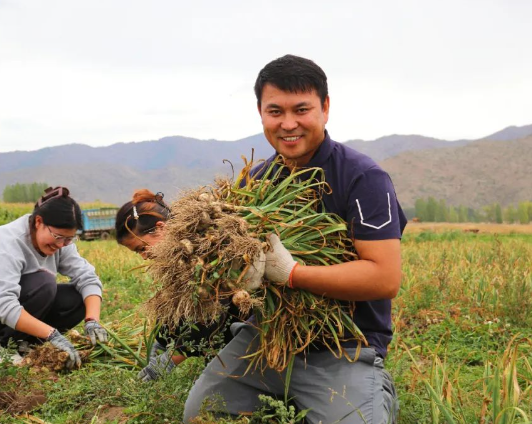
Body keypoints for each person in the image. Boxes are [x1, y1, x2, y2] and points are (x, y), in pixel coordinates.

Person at [183, 55, 406, 424]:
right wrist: (231, 277)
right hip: (265, 340)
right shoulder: (251, 183)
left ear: (325, 108)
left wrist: (291, 274)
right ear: (260, 112)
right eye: (275, 111)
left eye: (301, 109)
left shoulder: (363, 177)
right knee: (202, 415)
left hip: (343, 346)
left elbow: (384, 278)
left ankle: (374, 389)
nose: (289, 124)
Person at [0, 186, 108, 369]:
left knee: (78, 299)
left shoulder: (61, 243)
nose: (62, 244)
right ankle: (2, 350)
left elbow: (86, 276)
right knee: (44, 283)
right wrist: (52, 334)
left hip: (6, 306)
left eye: (69, 239)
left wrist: (92, 321)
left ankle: (25, 345)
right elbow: (2, 304)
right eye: (58, 237)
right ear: (38, 222)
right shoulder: (5, 242)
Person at [115, 189, 243, 382]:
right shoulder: (179, 256)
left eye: (142, 248)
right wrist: (162, 338)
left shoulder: (209, 244)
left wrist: (171, 358)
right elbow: (179, 303)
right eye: (137, 253)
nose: (143, 256)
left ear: (160, 228)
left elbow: (214, 310)